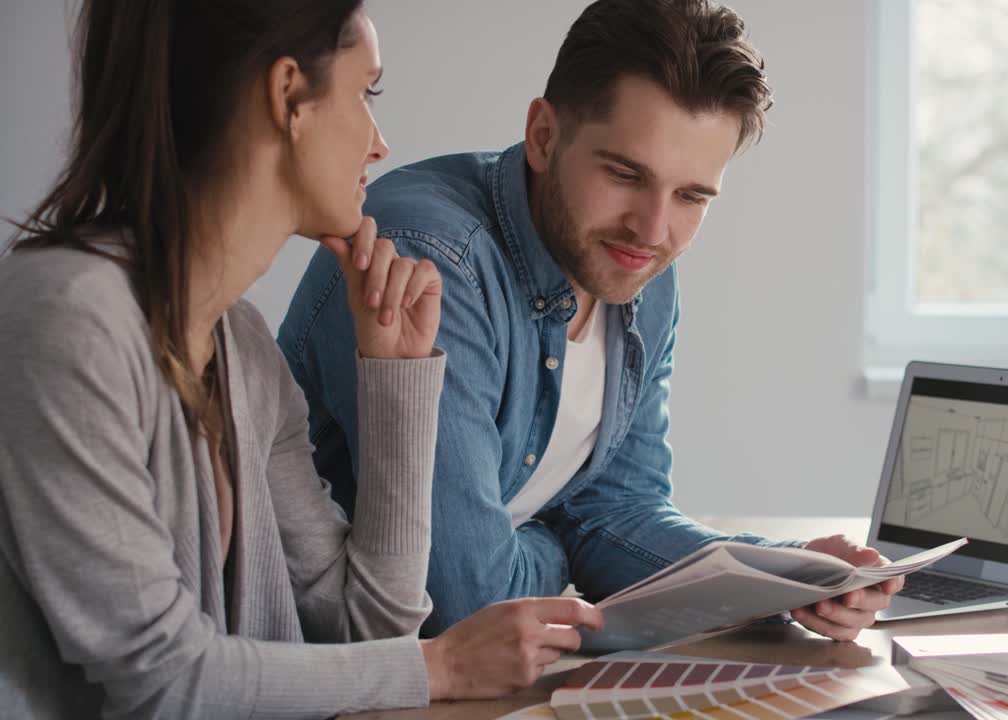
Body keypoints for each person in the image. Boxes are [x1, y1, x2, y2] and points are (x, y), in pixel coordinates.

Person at [0, 1, 602, 717]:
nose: (379, 143)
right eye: (365, 92)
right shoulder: (68, 316)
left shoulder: (241, 347)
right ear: (288, 95)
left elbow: (365, 628)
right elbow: (159, 677)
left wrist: (398, 382)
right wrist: (439, 666)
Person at [278, 0, 903, 642]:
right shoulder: (432, 260)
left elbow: (617, 512)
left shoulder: (638, 266)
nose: (654, 229)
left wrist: (784, 578)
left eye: (691, 196)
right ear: (544, 136)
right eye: (626, 174)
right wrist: (563, 542)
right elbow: (463, 603)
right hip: (346, 680)